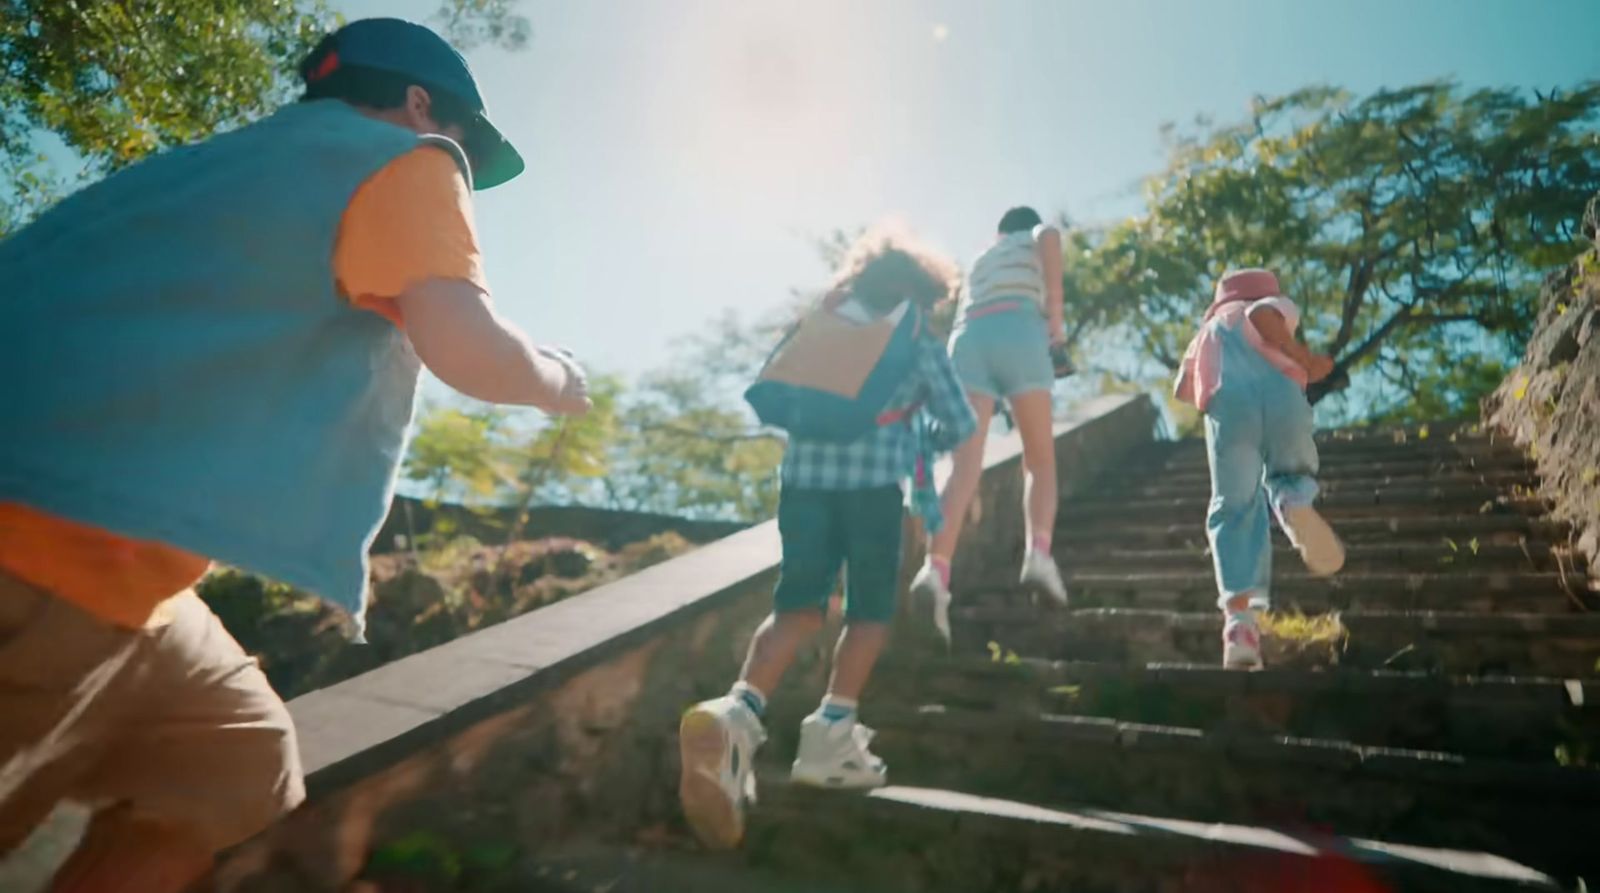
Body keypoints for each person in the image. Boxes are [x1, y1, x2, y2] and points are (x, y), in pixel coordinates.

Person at [0, 18, 589, 891]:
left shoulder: (186, 173)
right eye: (461, 132)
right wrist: (557, 381)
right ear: (423, 103)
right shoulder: (411, 158)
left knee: (238, 759)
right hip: (53, 562)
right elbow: (467, 346)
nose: (461, 156)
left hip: (128, 574)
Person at [678, 232, 978, 850]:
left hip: (802, 485)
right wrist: (917, 429)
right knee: (870, 612)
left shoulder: (826, 318)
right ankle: (832, 733)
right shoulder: (916, 334)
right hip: (871, 491)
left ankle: (739, 709)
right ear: (922, 290)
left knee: (798, 605)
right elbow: (960, 420)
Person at [909, 206, 1069, 643]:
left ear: (998, 233)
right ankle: (1038, 554)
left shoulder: (983, 258)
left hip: (969, 341)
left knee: (965, 468)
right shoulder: (1031, 237)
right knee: (1039, 460)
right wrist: (1055, 320)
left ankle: (935, 573)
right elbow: (1050, 236)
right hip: (1020, 328)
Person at [1172, 268, 1346, 669]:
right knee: (1289, 473)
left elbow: (1183, 389)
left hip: (1229, 411)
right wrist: (1304, 358)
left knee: (1233, 507)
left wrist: (1216, 383)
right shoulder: (1269, 304)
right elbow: (1263, 319)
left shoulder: (1208, 330)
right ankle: (1291, 503)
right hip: (1283, 396)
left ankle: (1239, 626)